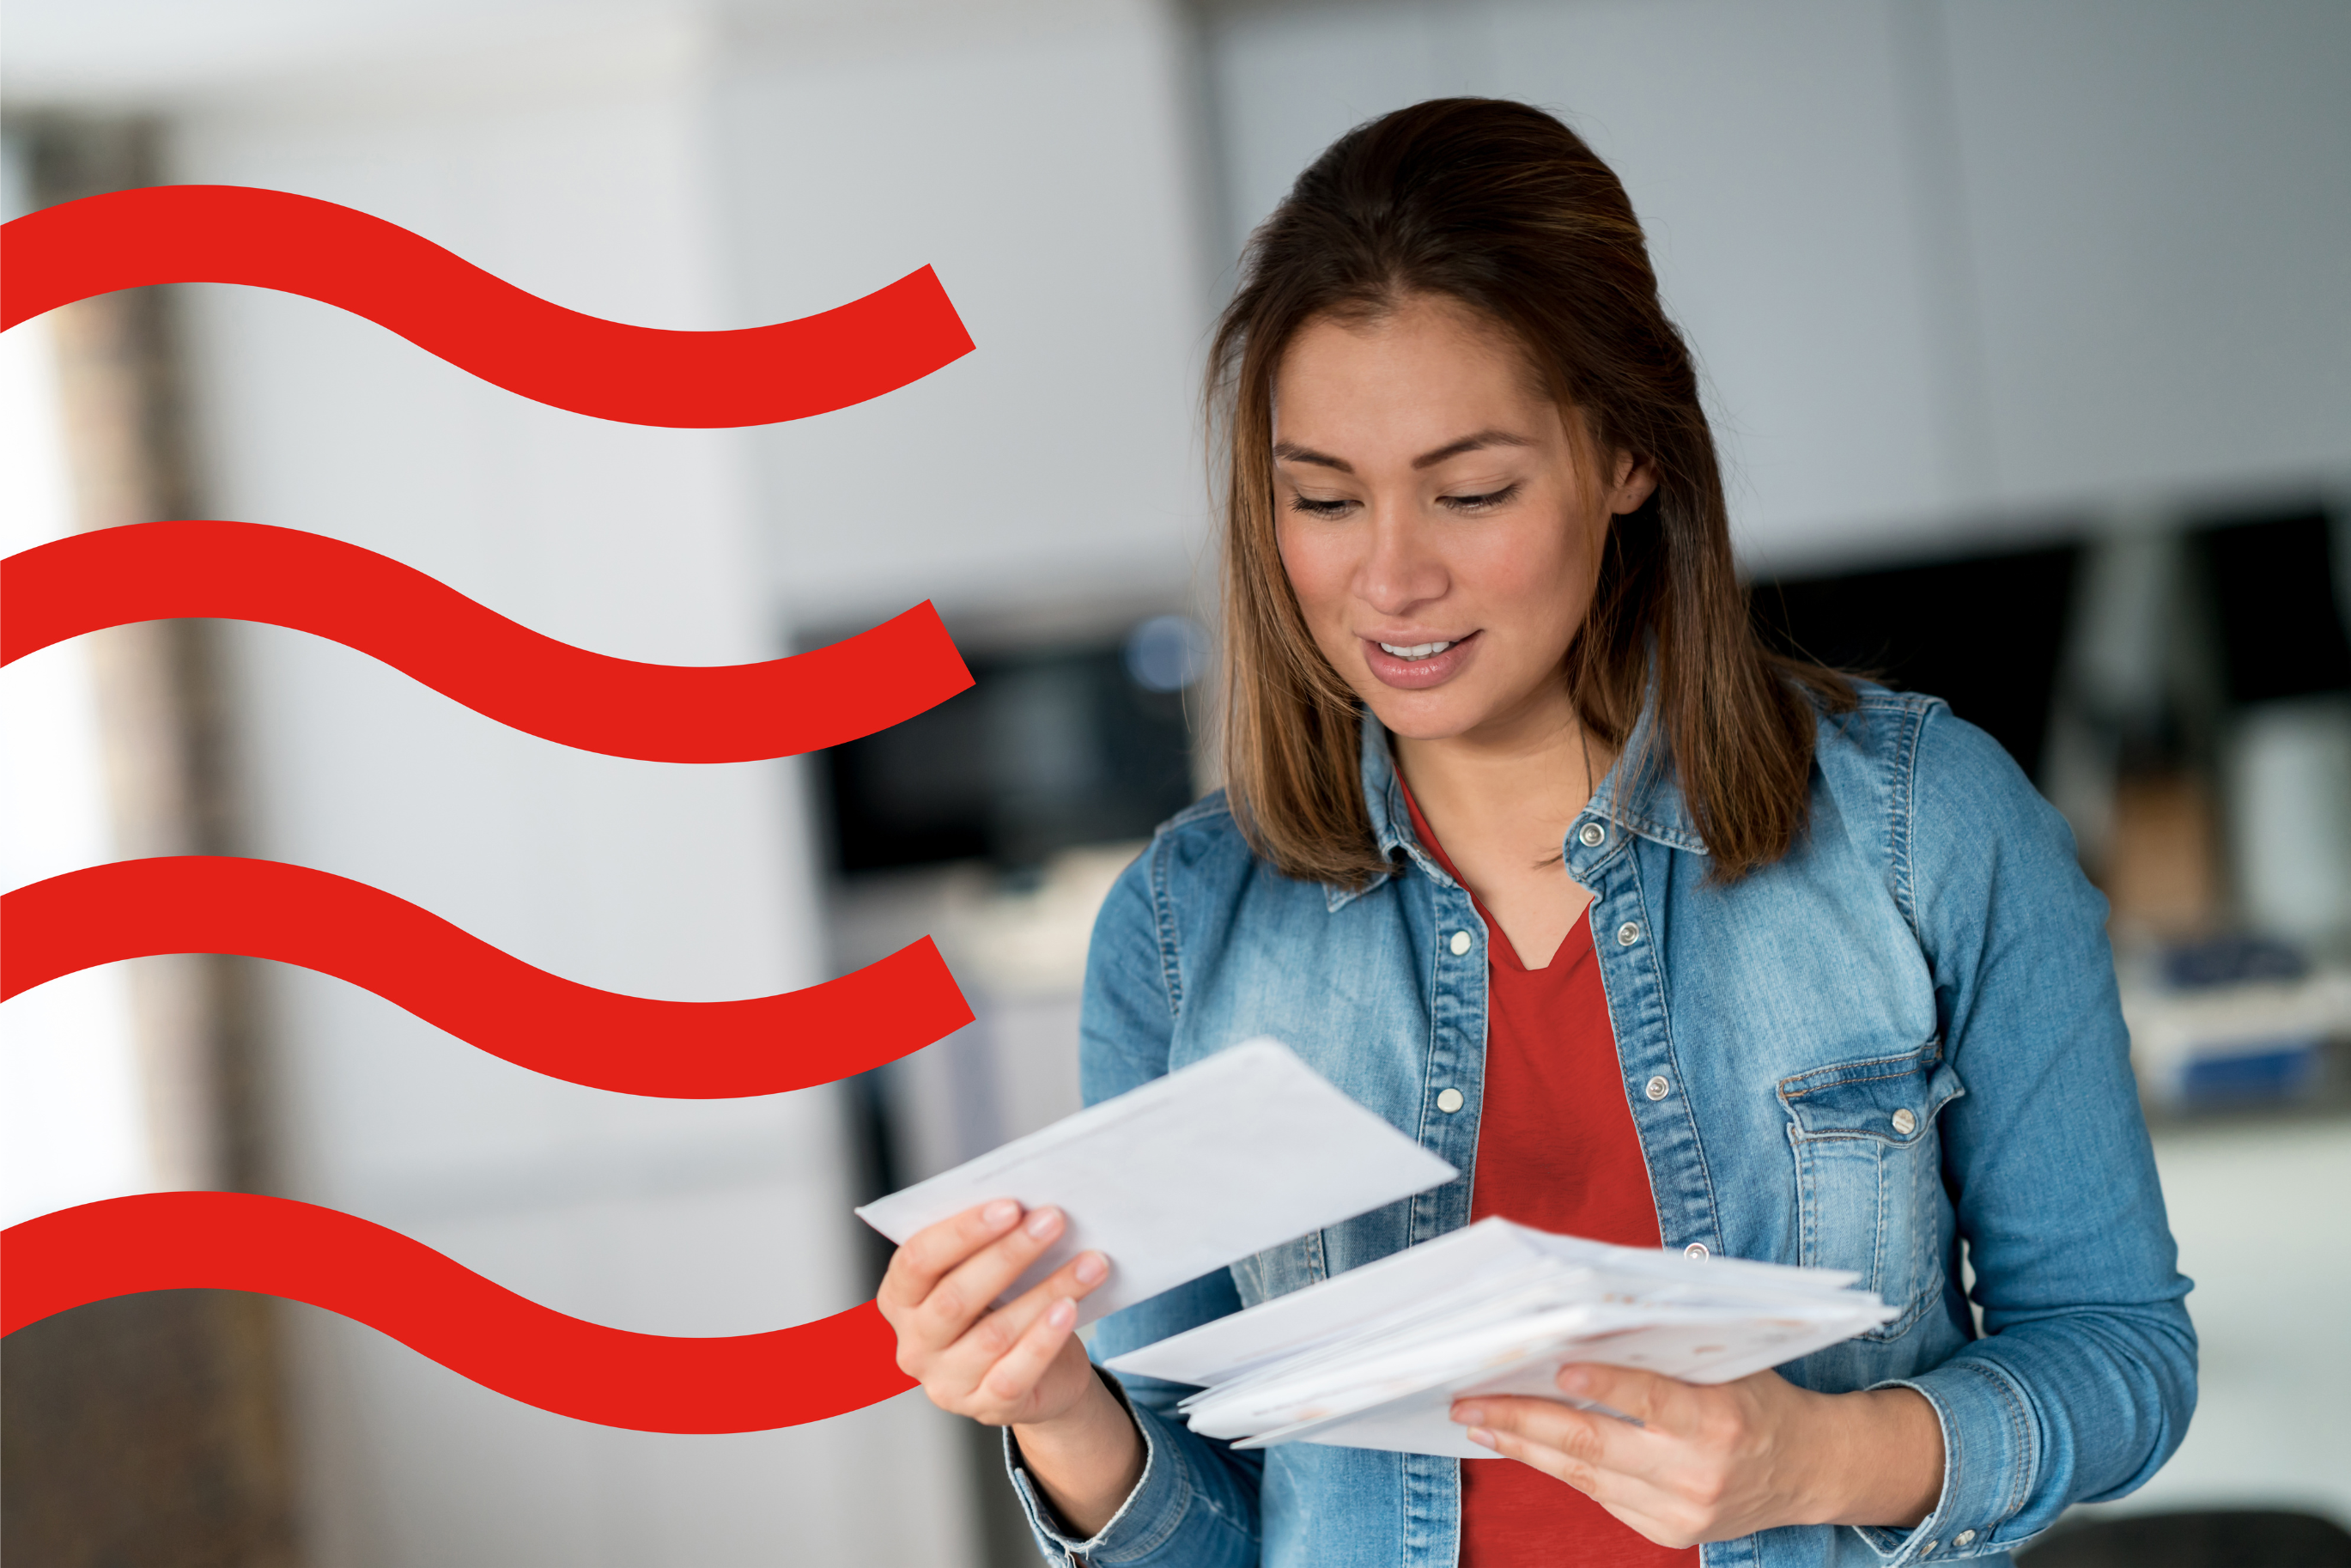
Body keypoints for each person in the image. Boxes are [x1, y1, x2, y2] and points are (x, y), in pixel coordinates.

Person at [877, 98, 2195, 1567]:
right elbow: (1209, 1539)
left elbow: (2123, 1354)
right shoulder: (1183, 927)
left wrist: (1817, 1456)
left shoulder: (1921, 826)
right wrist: (1061, 1410)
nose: (1390, 577)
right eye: (1322, 498)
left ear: (1626, 453)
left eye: (1470, 491)